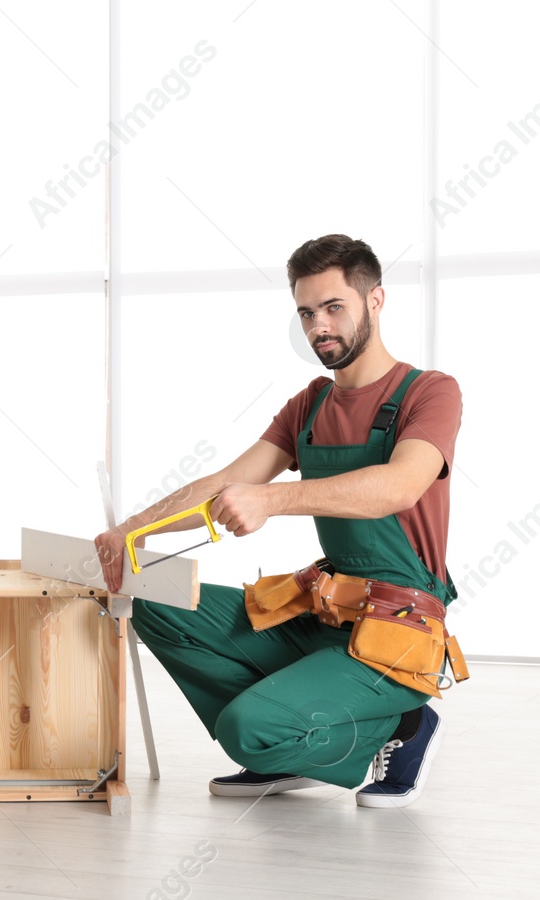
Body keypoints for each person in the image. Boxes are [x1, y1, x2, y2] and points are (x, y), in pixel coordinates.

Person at [95, 234, 464, 807]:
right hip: (322, 614)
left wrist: (272, 501)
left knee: (247, 731)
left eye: (334, 307)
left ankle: (405, 727)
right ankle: (293, 736)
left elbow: (397, 487)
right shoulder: (311, 402)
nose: (320, 326)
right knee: (156, 603)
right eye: (307, 313)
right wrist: (129, 533)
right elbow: (222, 481)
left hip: (395, 631)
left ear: (376, 300)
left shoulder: (430, 392)